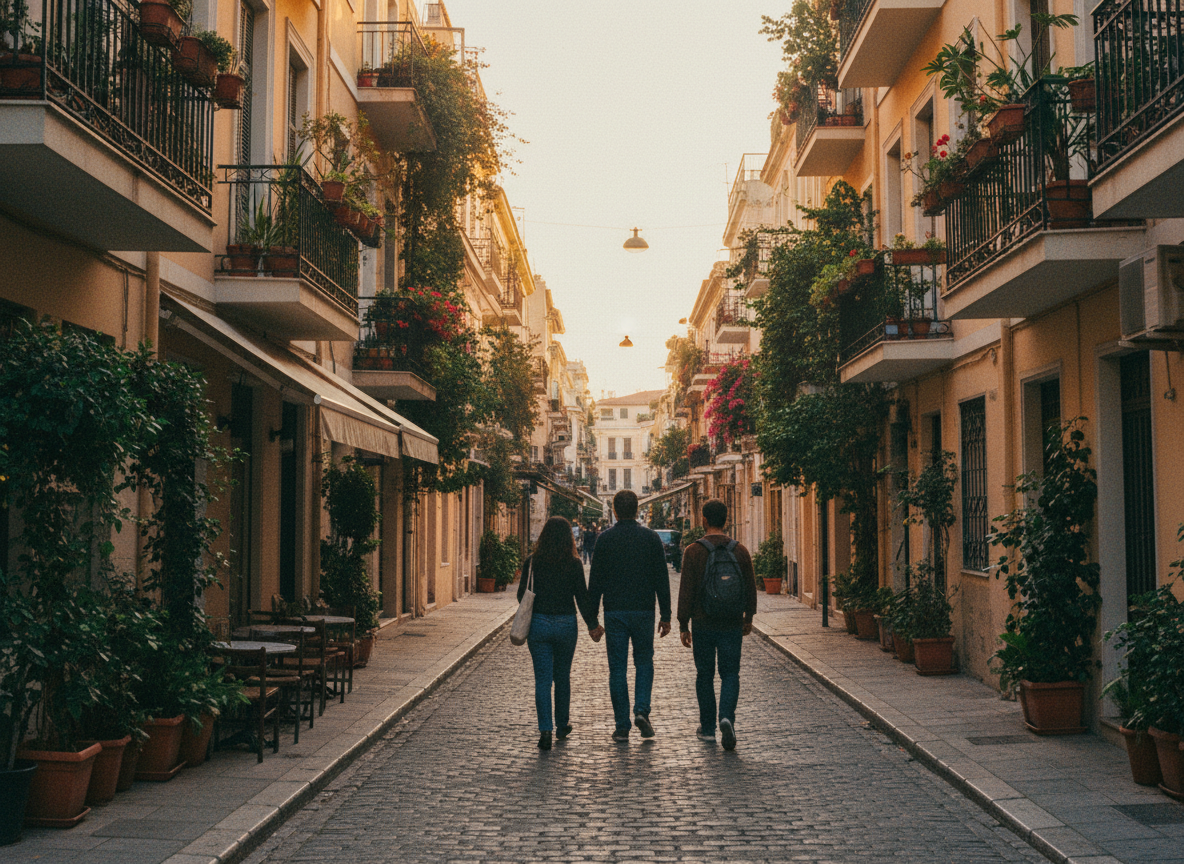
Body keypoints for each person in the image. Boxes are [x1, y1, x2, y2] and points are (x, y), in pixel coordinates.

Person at [588, 490, 672, 742]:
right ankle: (642, 710)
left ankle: (622, 726)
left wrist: (592, 621)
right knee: (644, 662)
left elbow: (595, 583)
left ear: (614, 511)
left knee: (617, 668)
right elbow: (661, 579)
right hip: (644, 610)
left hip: (614, 612)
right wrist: (666, 615)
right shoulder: (650, 538)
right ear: (637, 510)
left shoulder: (604, 540)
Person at [677, 498, 757, 751]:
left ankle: (708, 729)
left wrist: (682, 623)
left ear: (704, 520)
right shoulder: (740, 550)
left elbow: (686, 589)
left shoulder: (694, 551)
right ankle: (727, 717)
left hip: (703, 622)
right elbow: (751, 588)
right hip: (731, 622)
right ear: (726, 520)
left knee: (705, 674)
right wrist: (749, 618)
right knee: (730, 673)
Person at [519, 516, 601, 751]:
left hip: (539, 624)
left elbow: (521, 596)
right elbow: (582, 597)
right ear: (569, 538)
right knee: (562, 676)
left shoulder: (533, 562)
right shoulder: (574, 563)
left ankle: (545, 730)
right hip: (566, 623)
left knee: (542, 680)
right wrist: (593, 625)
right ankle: (562, 725)